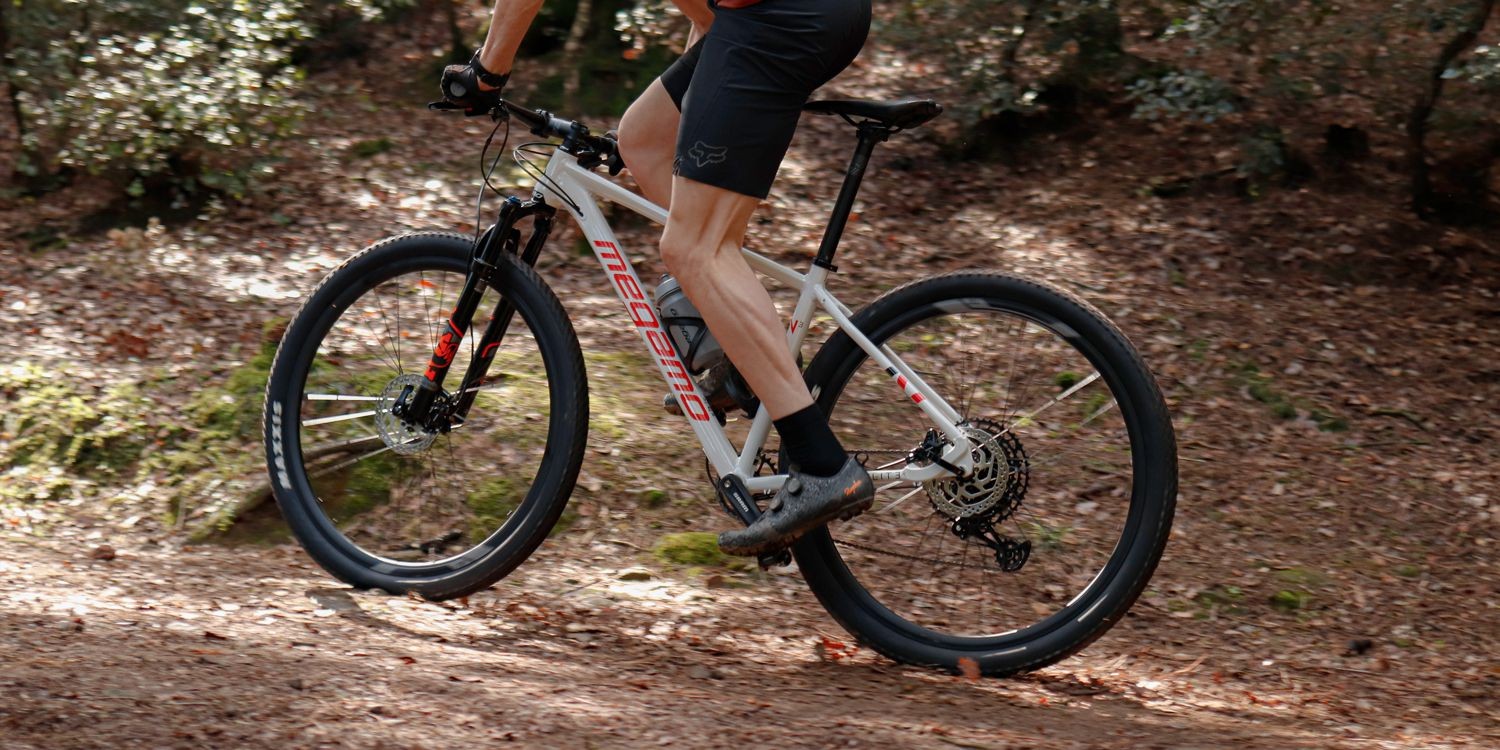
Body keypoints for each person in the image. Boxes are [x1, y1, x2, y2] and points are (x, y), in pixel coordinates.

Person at [439, 0, 875, 556]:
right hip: (787, 16)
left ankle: (821, 465)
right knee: (643, 140)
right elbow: (707, 20)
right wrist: (702, 113)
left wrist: (486, 73)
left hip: (780, 19)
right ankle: (741, 352)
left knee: (692, 249)